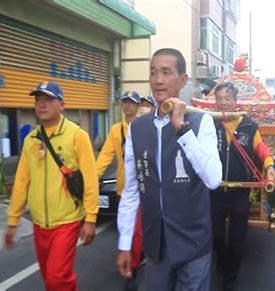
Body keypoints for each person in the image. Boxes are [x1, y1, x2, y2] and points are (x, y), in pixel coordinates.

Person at [116, 48, 222, 290]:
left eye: (166, 72)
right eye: (153, 73)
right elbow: (132, 190)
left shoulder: (200, 122)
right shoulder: (137, 128)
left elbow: (213, 179)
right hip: (156, 244)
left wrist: (182, 131)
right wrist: (124, 243)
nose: (158, 80)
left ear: (183, 80)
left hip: (193, 242)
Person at [4, 81, 98, 290]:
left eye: (48, 99)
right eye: (38, 100)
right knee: (50, 279)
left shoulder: (77, 135)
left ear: (62, 105)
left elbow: (91, 180)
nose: (42, 105)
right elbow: (21, 182)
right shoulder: (31, 139)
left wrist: (90, 218)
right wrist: (13, 220)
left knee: (57, 278)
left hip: (67, 221)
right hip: (39, 224)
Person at [210, 82, 275, 291]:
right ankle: (221, 258)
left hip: (240, 192)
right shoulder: (208, 123)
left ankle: (230, 278)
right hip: (215, 190)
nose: (222, 102)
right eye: (219, 98)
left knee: (238, 239)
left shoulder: (248, 125)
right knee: (216, 235)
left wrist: (270, 167)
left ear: (235, 101)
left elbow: (262, 149)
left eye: (227, 98)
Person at [96, 90, 142, 291]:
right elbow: (106, 155)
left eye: (131, 102)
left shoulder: (144, 127)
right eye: (125, 102)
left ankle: (133, 269)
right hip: (124, 189)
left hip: (144, 189)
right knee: (127, 230)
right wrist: (93, 178)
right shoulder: (116, 131)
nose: (127, 106)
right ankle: (131, 262)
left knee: (138, 232)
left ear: (138, 105)